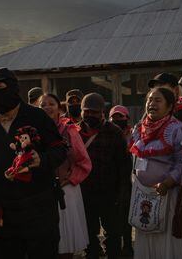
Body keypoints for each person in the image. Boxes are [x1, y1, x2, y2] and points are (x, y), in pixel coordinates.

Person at [0, 68, 67, 258]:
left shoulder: (37, 117)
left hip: (38, 208)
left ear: (13, 88)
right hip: (3, 212)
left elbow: (60, 149)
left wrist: (43, 159)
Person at [129, 87, 182, 259]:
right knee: (146, 233)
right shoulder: (140, 128)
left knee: (165, 239)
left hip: (167, 195)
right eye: (149, 100)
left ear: (170, 107)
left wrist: (168, 183)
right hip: (143, 196)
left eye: (157, 100)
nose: (151, 104)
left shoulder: (176, 130)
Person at [40, 93, 91, 259]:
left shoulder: (69, 131)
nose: (47, 107)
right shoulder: (32, 131)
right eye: (43, 105)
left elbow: (84, 162)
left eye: (51, 104)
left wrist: (69, 179)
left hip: (66, 190)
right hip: (42, 191)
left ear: (59, 108)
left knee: (65, 240)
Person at [79, 93, 130, 259]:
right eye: (86, 111)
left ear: (102, 112)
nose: (89, 115)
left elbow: (124, 166)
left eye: (94, 112)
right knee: (88, 234)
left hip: (109, 193)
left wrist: (122, 193)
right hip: (84, 193)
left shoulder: (114, 132)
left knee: (113, 234)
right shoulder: (75, 132)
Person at [108, 105, 133, 257]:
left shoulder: (134, 134)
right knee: (113, 218)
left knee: (127, 216)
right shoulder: (107, 134)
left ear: (127, 118)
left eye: (121, 117)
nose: (118, 120)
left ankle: (128, 245)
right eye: (115, 117)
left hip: (129, 180)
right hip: (112, 180)